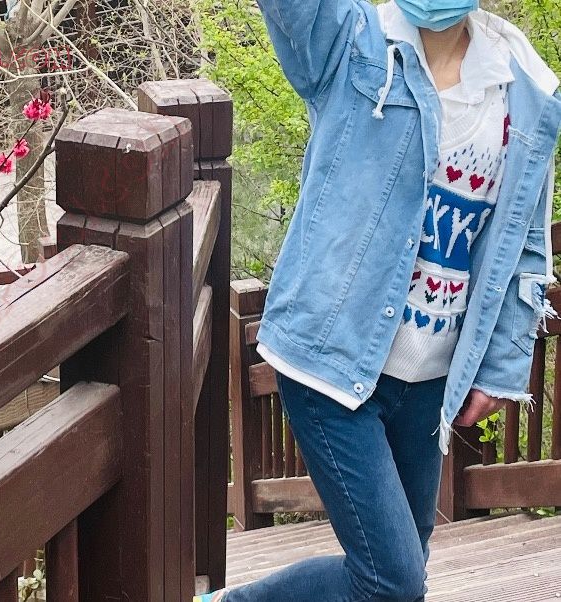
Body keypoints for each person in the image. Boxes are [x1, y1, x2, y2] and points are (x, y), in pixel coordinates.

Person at [194, 0, 561, 601]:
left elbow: (524, 244)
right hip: (329, 366)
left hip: (432, 381)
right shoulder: (353, 43)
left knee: (400, 575)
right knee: (391, 581)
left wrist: (501, 365)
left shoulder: (522, 86)